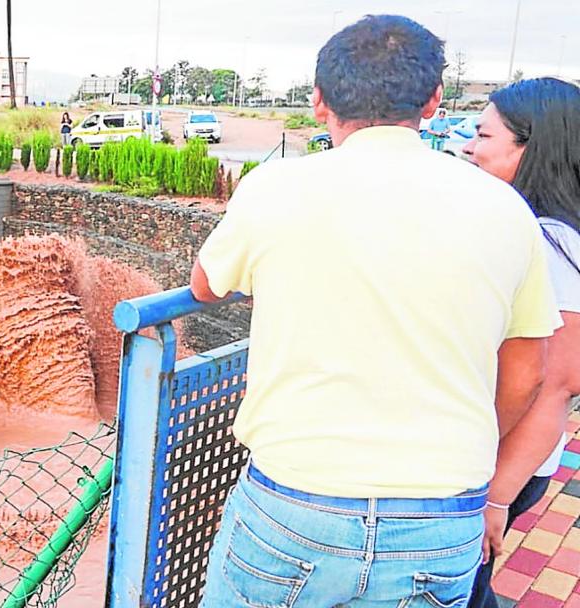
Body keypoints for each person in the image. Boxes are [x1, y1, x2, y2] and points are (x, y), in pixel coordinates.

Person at [190, 15, 560, 607]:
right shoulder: (505, 208)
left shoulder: (276, 187)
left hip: (296, 497)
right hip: (442, 511)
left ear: (318, 101)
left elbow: (205, 286)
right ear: (435, 101)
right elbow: (528, 373)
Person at [461, 77, 580, 608]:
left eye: (485, 135)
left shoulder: (551, 244)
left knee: (465, 591)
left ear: (530, 148)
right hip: (500, 460)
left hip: (503, 468)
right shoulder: (536, 231)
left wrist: (495, 496)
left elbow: (554, 387)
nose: (469, 146)